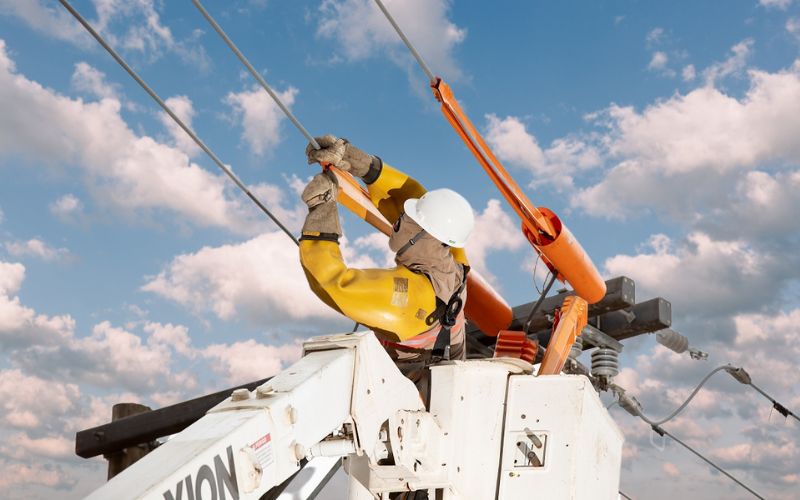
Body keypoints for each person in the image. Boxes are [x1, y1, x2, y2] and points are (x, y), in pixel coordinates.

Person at [298, 135, 475, 387]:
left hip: (411, 406)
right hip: (447, 391)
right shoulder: (455, 263)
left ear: (422, 235)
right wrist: (356, 161)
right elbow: (411, 194)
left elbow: (331, 282)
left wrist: (321, 212)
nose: (399, 220)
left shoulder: (413, 295)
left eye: (407, 218)